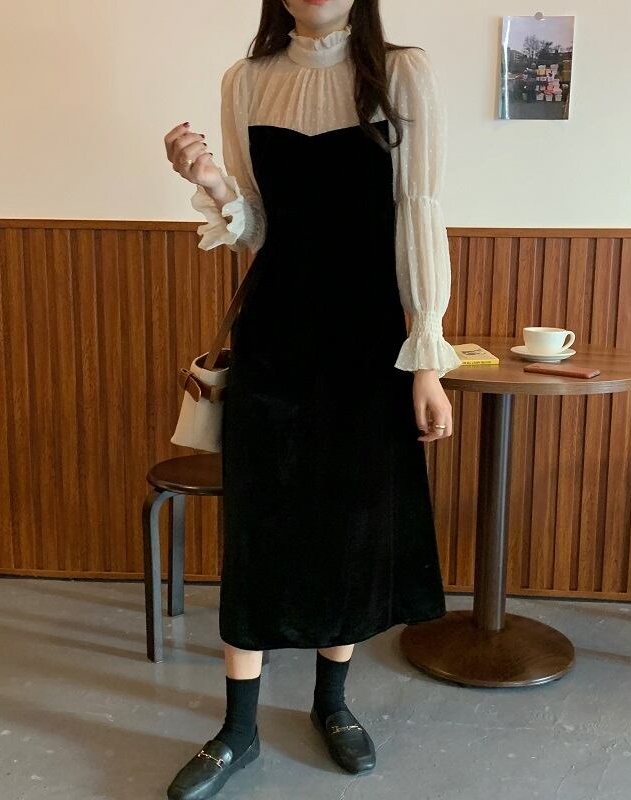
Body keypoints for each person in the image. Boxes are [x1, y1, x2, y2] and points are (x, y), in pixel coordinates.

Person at [162, 1, 462, 797]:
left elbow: (419, 213)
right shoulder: (245, 80)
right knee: (259, 524)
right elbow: (257, 226)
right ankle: (238, 729)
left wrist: (426, 356)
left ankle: (333, 703)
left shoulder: (400, 72)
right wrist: (211, 182)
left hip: (369, 343)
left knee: (351, 523)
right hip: (275, 338)